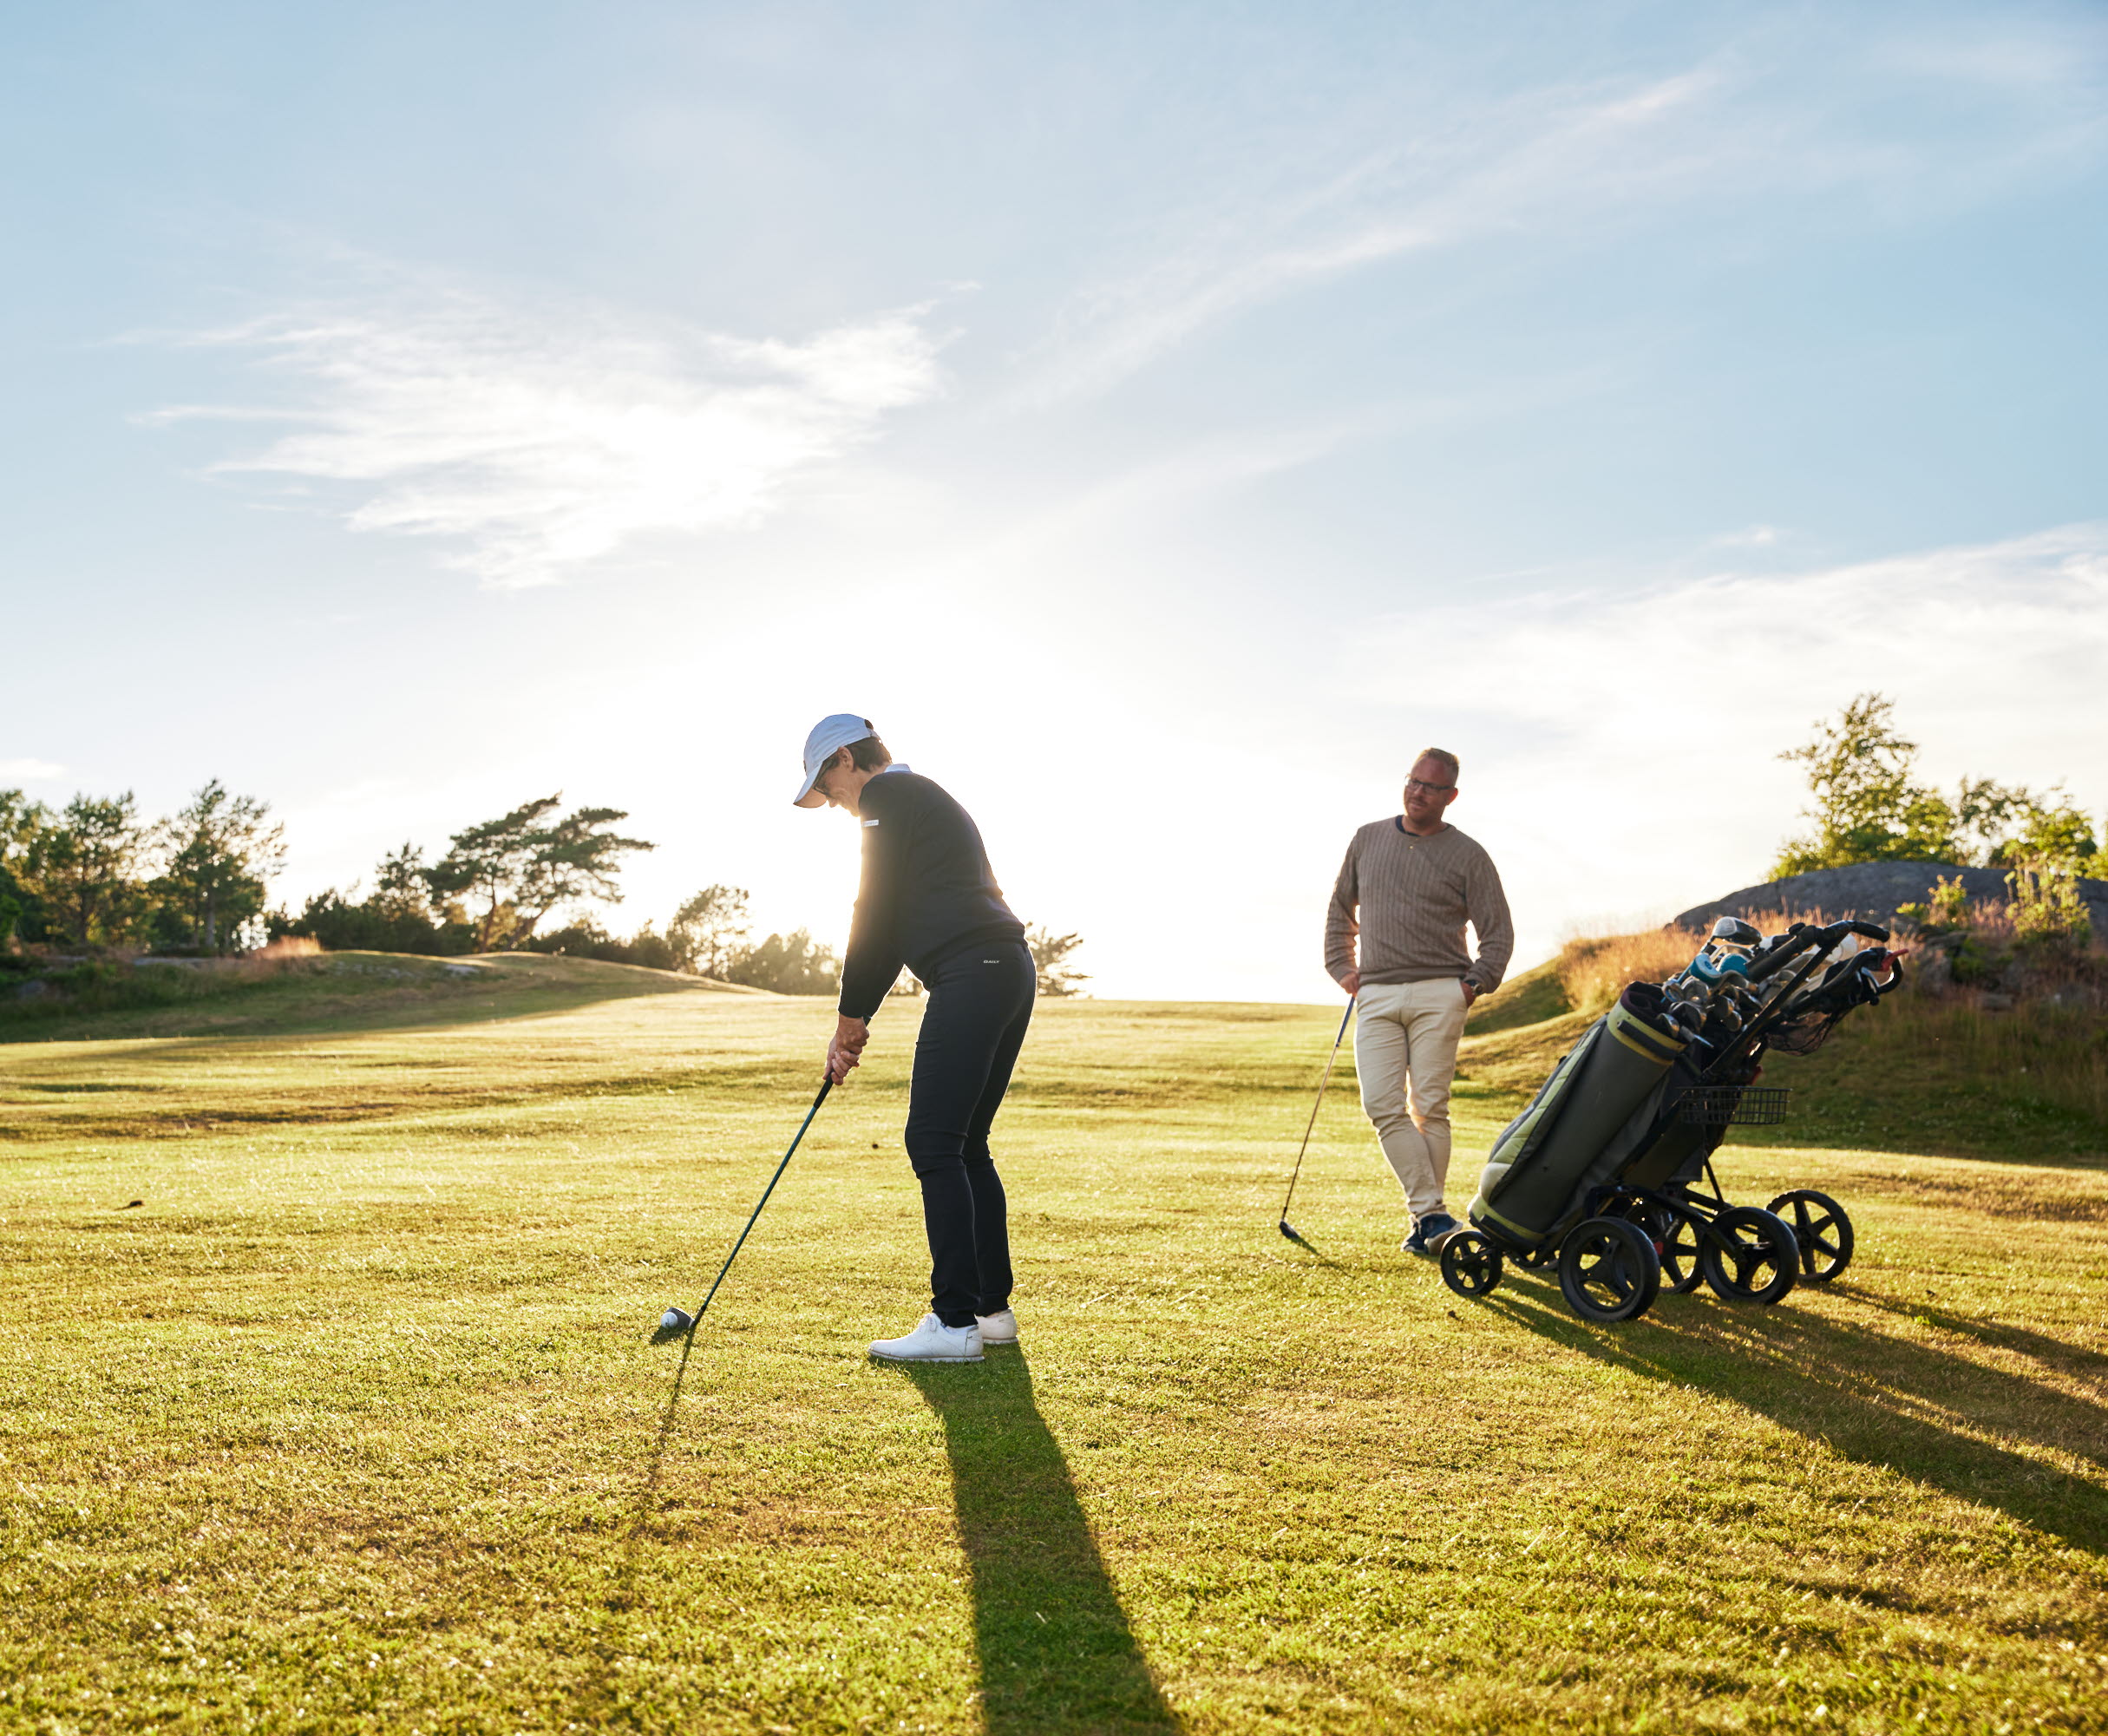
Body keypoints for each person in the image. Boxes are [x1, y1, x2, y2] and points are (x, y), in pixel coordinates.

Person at [794, 713, 1033, 1364]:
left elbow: (872, 910)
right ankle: (990, 1314)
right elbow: (895, 924)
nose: (833, 800)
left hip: (975, 970)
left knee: (933, 1141)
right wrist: (856, 1018)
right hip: (1006, 967)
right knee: (965, 1143)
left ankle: (953, 1322)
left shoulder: (888, 794)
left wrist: (849, 1018)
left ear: (847, 759)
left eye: (827, 783)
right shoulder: (918, 798)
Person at [1324, 748, 1514, 1257]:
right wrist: (1342, 967)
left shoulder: (1468, 854)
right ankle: (1432, 1215)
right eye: (1413, 781)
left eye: (1431, 787)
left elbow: (1498, 931)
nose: (1418, 792)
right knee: (1382, 1106)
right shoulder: (1367, 839)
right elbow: (1341, 909)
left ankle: (1426, 1220)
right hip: (1376, 993)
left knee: (1430, 1108)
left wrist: (1473, 985)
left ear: (1451, 796)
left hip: (1441, 992)